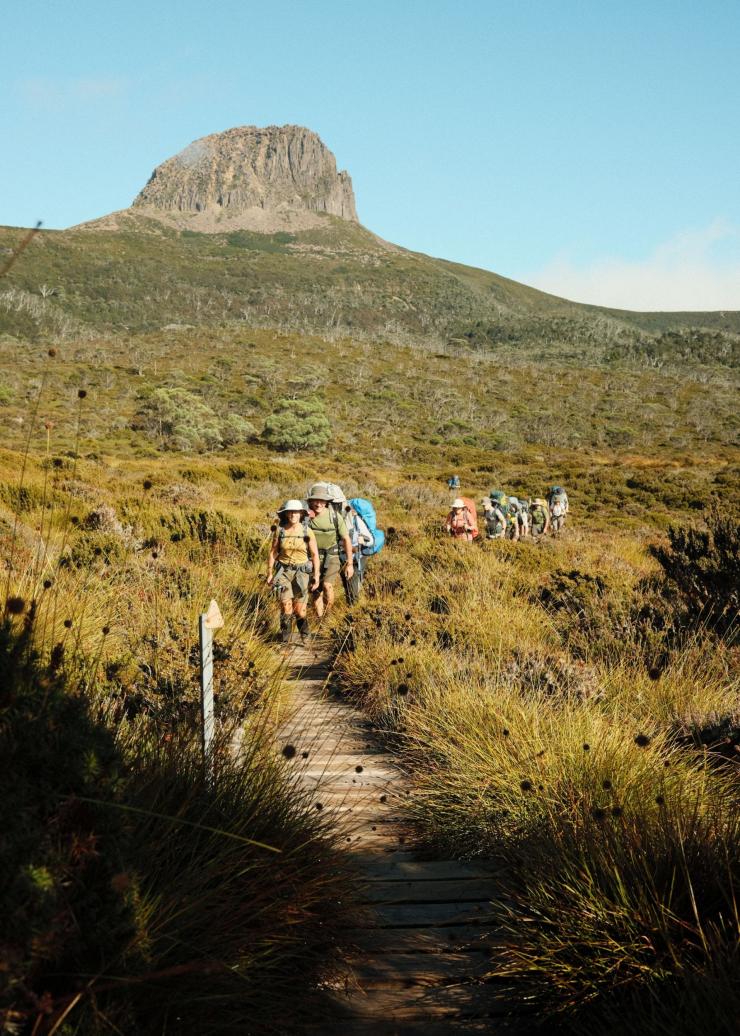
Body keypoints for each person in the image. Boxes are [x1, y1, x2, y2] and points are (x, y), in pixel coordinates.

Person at [266, 500, 320, 644]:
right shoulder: (280, 530)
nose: (293, 514)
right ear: (285, 514)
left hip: (302, 573)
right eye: (290, 512)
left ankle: (305, 636)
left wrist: (316, 576)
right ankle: (285, 640)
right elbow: (273, 552)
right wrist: (270, 572)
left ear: (301, 514)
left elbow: (314, 555)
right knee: (286, 606)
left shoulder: (307, 531)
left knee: (300, 610)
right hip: (283, 572)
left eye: (296, 512)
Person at [307, 483, 354, 618]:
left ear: (326, 502)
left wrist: (349, 564)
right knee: (316, 591)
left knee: (327, 585)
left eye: (321, 500)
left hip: (332, 556)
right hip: (312, 559)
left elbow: (346, 539)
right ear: (310, 501)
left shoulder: (335, 517)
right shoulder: (305, 517)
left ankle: (328, 614)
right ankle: (320, 620)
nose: (318, 504)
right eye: (315, 500)